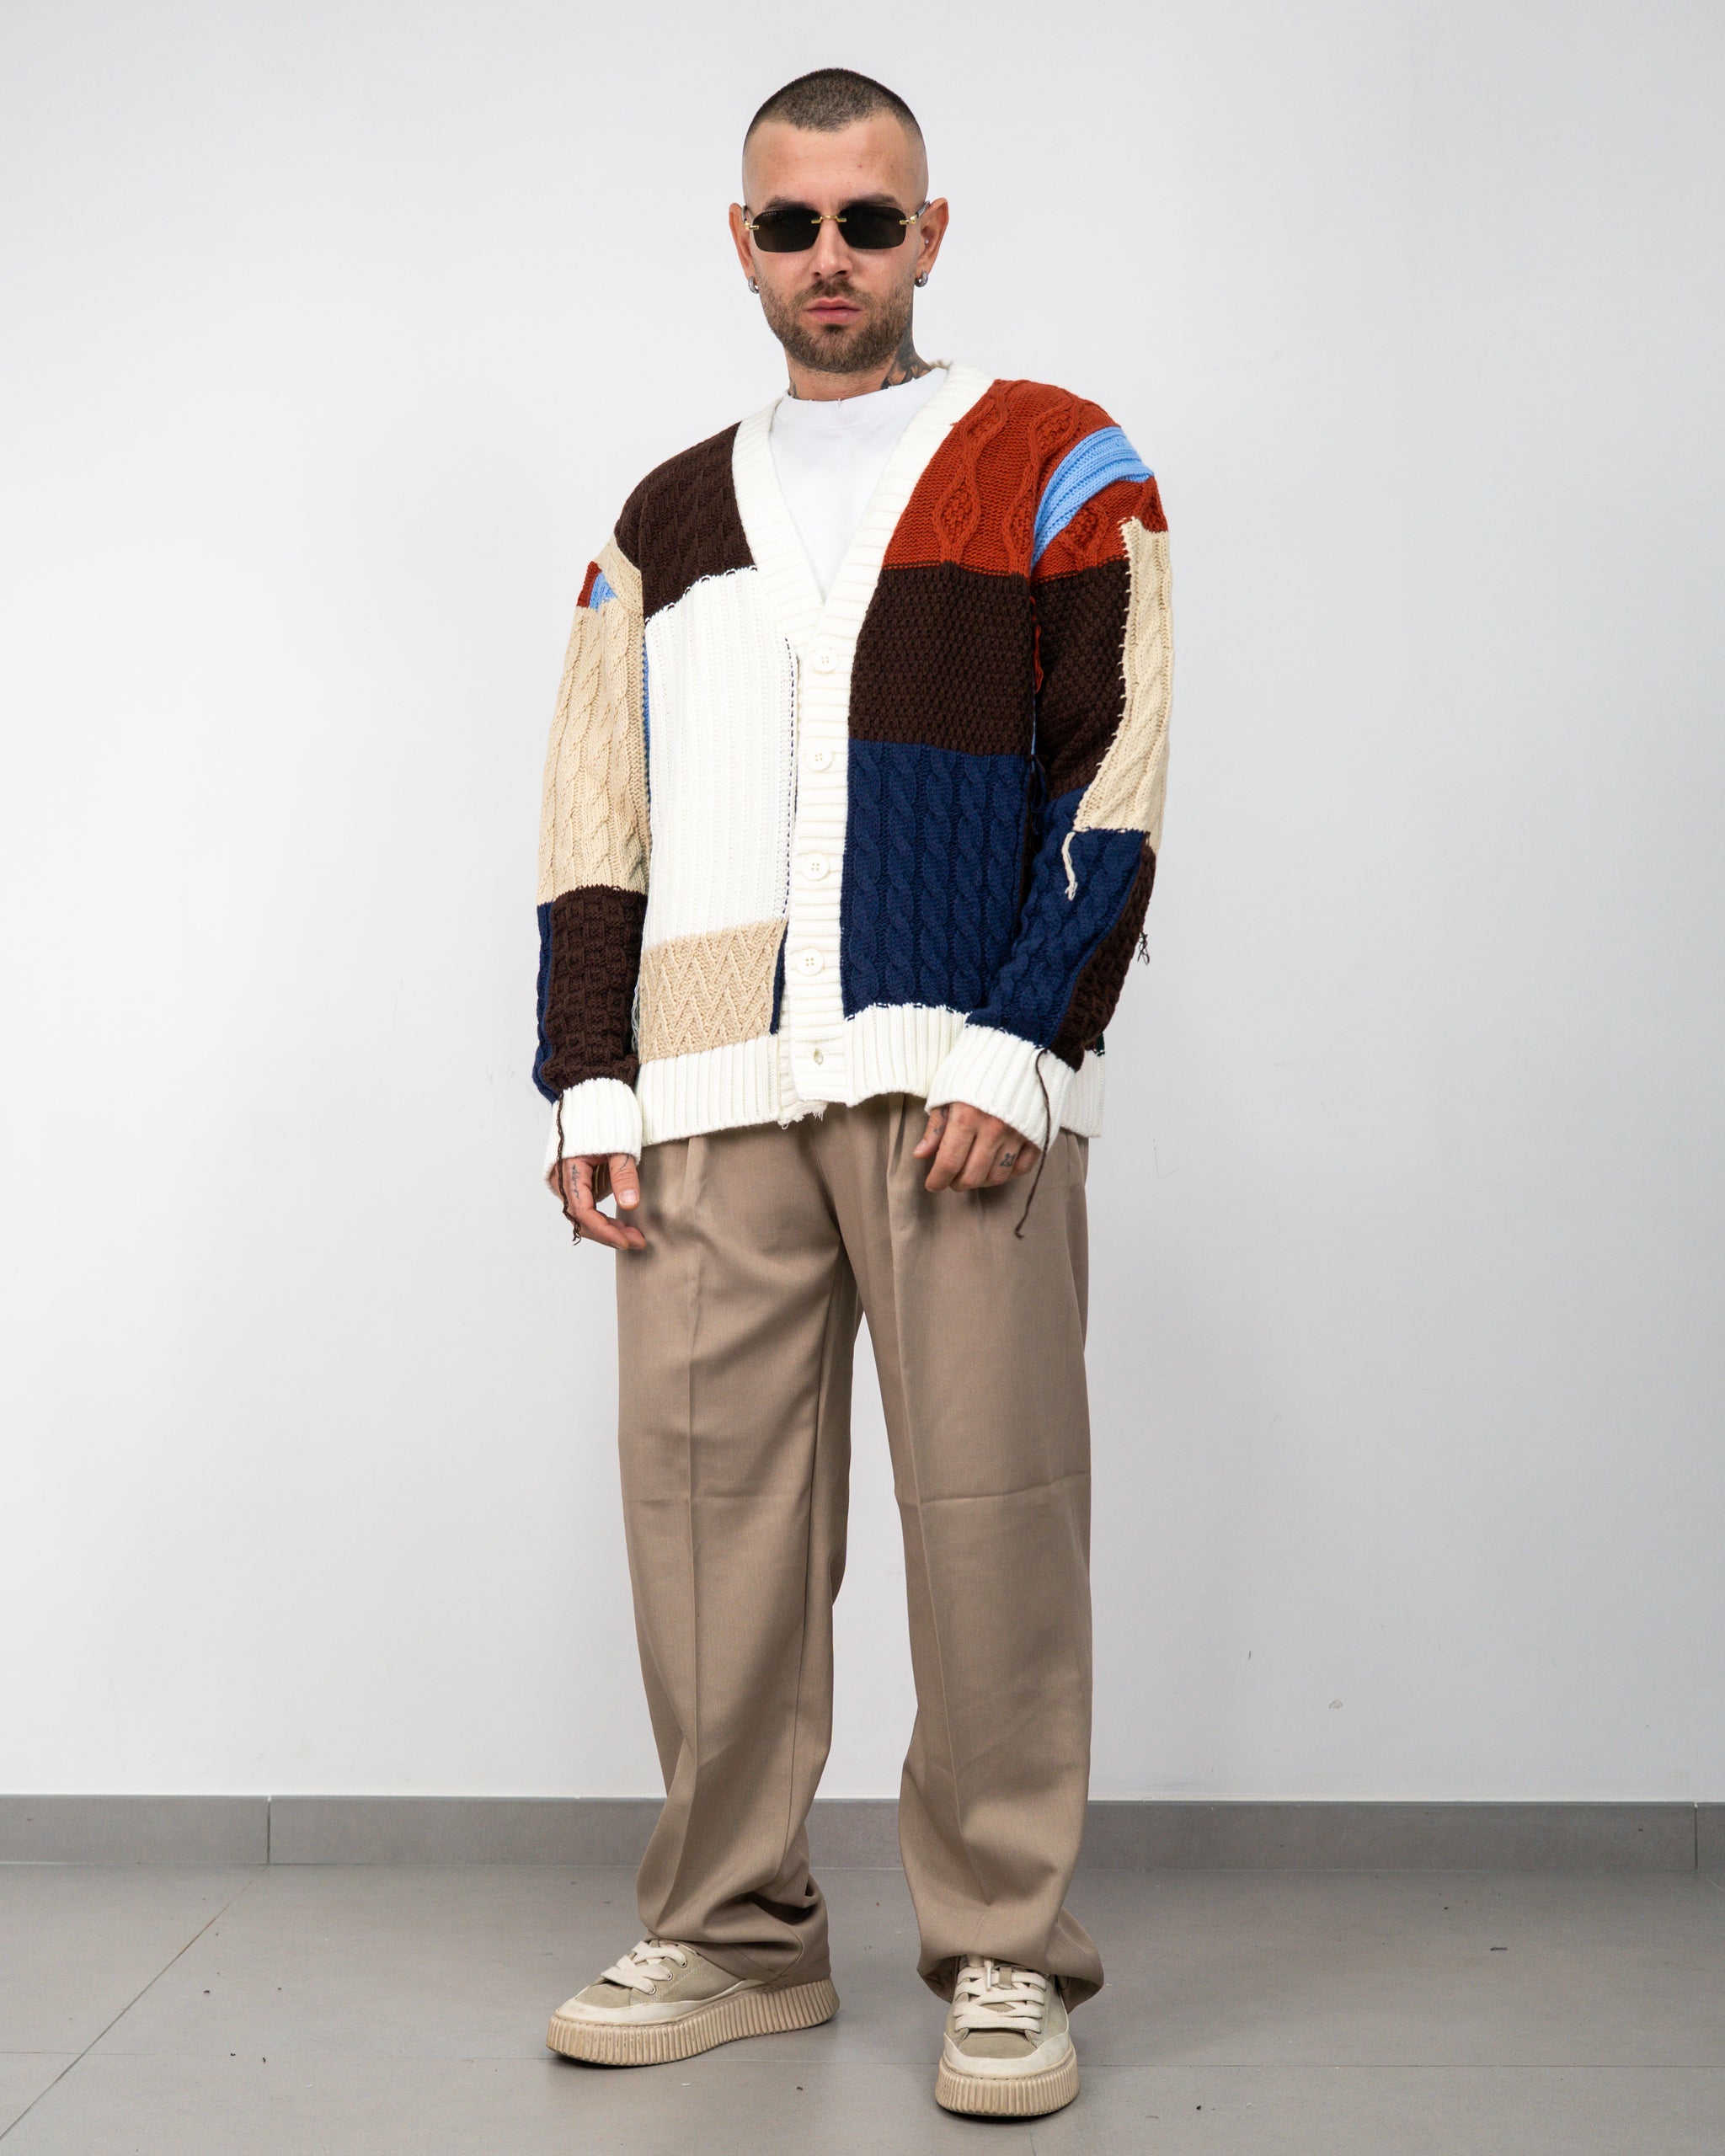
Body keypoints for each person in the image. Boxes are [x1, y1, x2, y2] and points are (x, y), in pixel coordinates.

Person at [532, 65, 1172, 2122]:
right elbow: (595, 808)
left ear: (929, 232)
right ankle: (733, 1933)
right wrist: (588, 1077)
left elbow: (1114, 768)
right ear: (743, 241)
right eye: (792, 223)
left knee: (991, 1518)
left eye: (867, 221)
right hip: (703, 1082)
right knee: (702, 1525)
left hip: (949, 1074)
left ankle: (1004, 1947)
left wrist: (1023, 1040)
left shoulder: (1055, 459)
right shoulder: (666, 514)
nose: (831, 257)